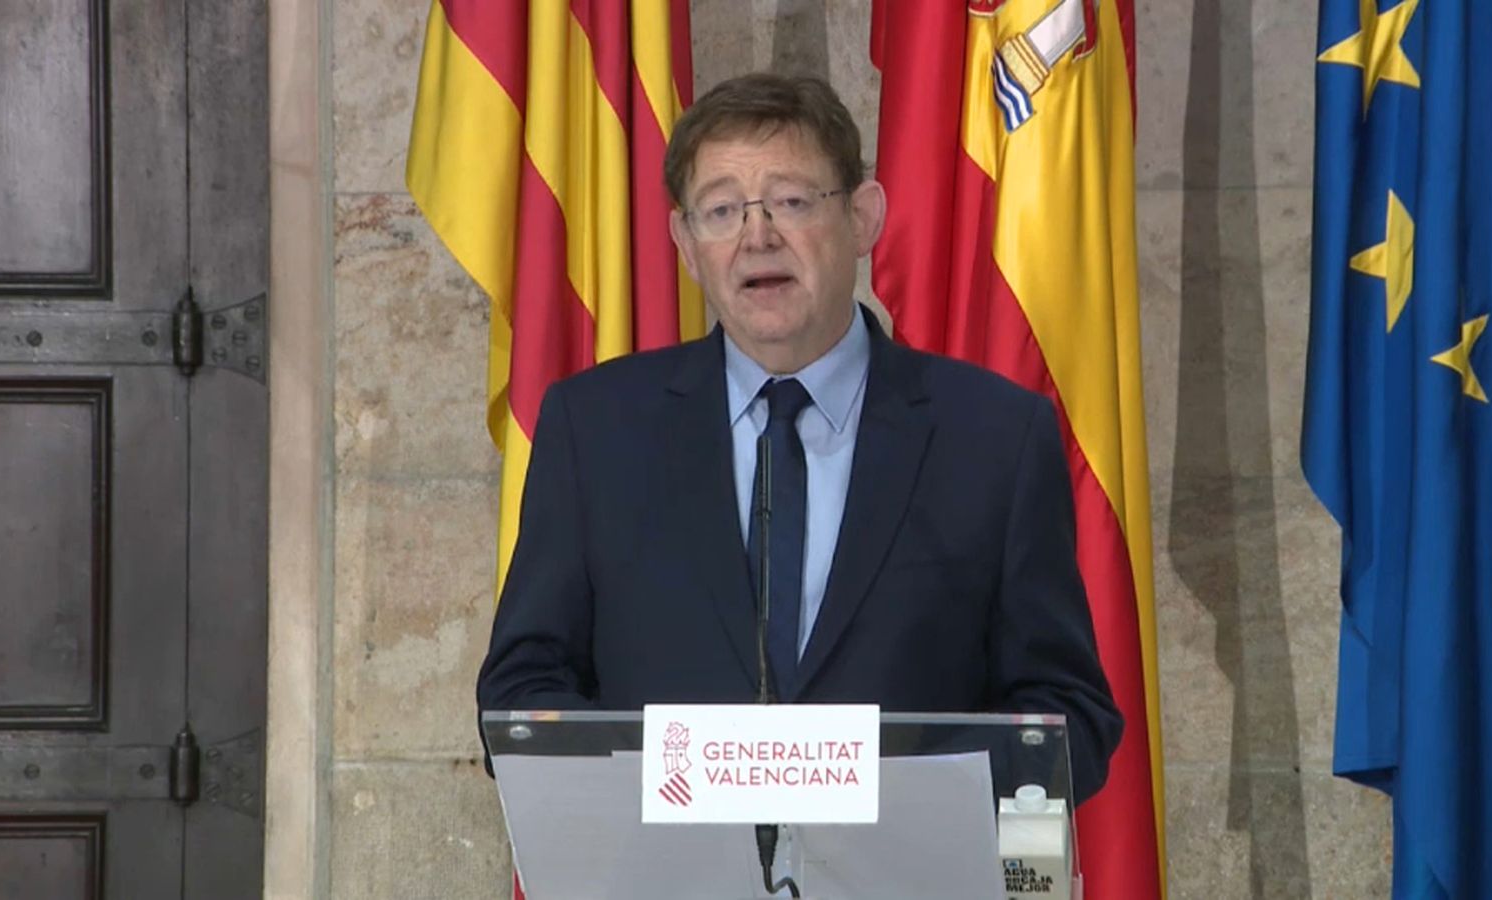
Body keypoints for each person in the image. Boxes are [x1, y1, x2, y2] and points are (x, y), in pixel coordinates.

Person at [477, 72, 1122, 801]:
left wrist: (877, 787)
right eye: (721, 210)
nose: (757, 237)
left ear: (862, 219)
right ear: (685, 244)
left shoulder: (993, 437)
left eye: (791, 201)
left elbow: (1068, 717)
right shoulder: (595, 430)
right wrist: (677, 787)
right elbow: (521, 691)